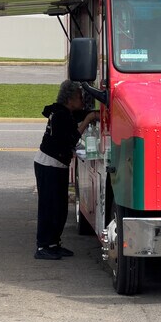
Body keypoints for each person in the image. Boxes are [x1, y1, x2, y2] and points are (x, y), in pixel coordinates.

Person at [33, 80, 99, 260]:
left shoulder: (64, 112)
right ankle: (43, 246)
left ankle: (54, 243)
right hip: (49, 165)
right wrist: (88, 119)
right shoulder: (61, 116)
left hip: (57, 164)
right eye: (79, 97)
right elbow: (71, 139)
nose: (82, 101)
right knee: (48, 207)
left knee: (60, 208)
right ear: (69, 99)